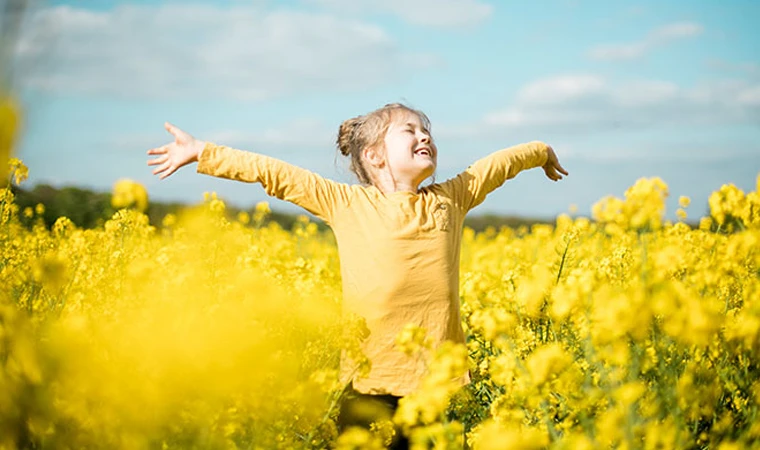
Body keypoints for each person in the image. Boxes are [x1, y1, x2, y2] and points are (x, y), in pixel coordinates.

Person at [147, 103, 568, 449]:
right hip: (367, 383)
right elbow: (276, 175)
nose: (425, 137)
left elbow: (498, 165)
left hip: (436, 381)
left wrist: (540, 150)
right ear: (374, 155)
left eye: (427, 132)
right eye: (410, 131)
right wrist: (203, 152)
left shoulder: (452, 198)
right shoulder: (345, 202)